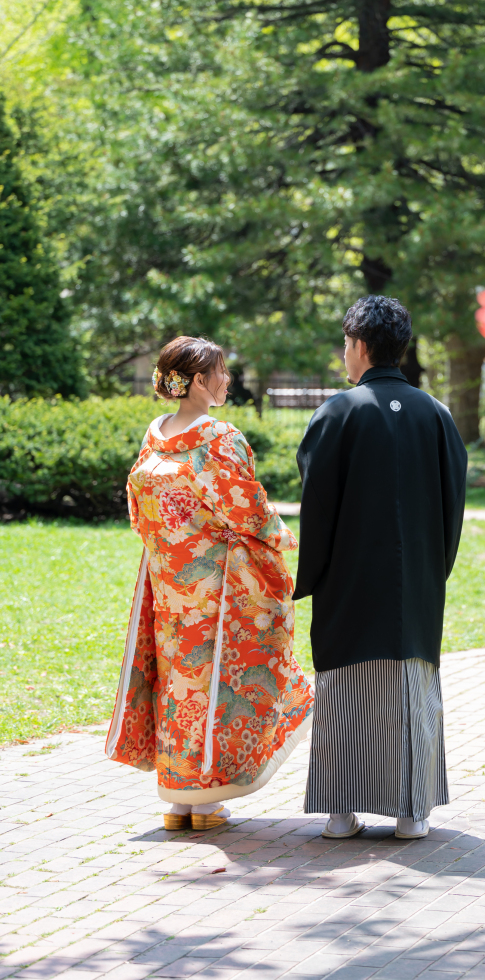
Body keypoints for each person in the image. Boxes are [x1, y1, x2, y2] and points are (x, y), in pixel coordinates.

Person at [106, 336, 313, 831]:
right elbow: (247, 509)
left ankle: (178, 802)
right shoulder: (219, 438)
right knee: (217, 680)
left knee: (177, 683)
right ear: (198, 381)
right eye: (220, 373)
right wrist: (280, 537)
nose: (227, 381)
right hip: (218, 583)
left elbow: (140, 514)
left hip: (168, 582)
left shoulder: (153, 438)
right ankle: (204, 799)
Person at [294, 296, 468, 840]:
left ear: (360, 346)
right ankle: (411, 812)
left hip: (349, 582)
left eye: (347, 344)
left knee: (345, 693)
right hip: (416, 583)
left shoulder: (338, 413)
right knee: (412, 694)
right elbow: (453, 505)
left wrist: (310, 576)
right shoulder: (436, 414)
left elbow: (316, 506)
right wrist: (431, 570)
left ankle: (341, 811)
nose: (345, 354)